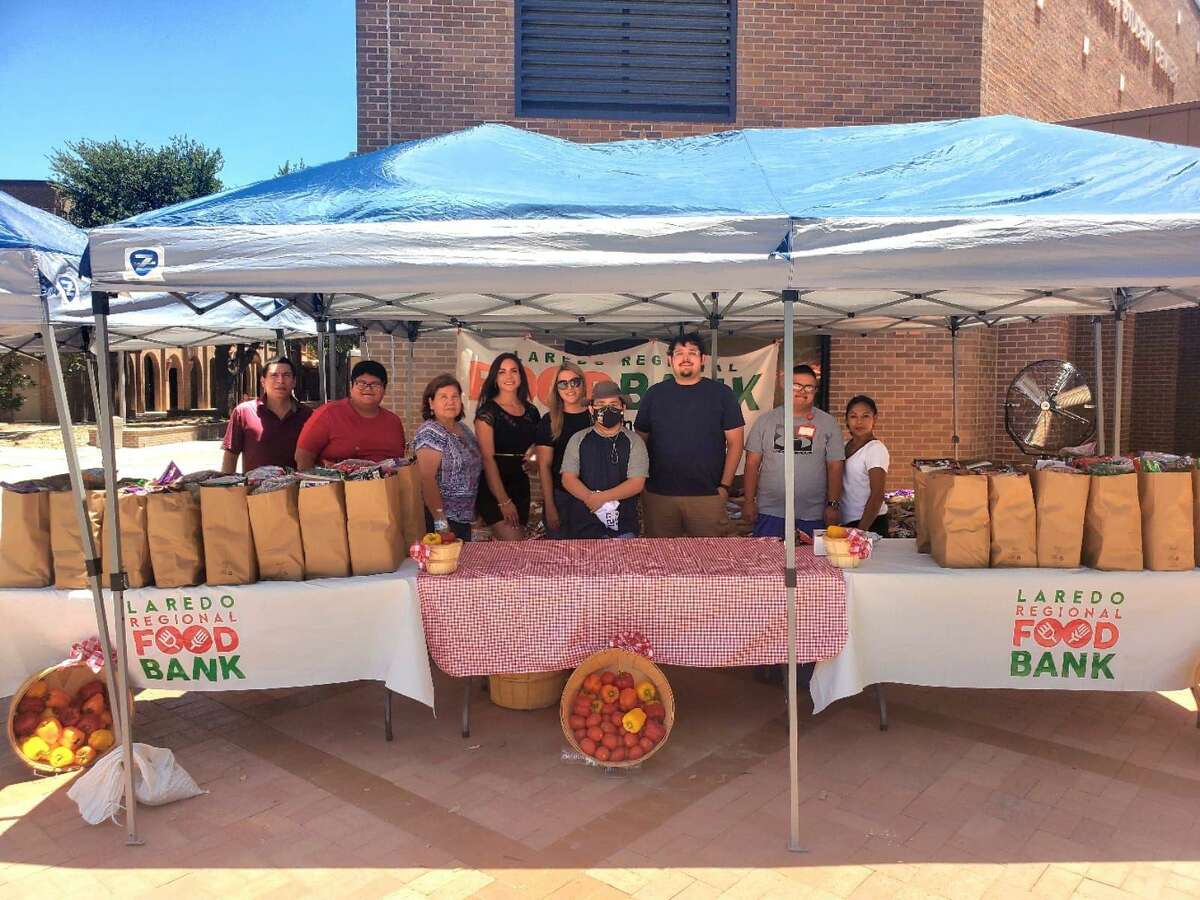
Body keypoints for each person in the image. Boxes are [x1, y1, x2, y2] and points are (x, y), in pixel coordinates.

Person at [633, 333, 744, 537]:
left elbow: (736, 443)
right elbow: (638, 443)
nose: (686, 358)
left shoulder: (722, 394)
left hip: (708, 496)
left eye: (692, 353)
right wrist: (642, 487)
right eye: (679, 353)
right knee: (661, 561)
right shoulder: (654, 394)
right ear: (670, 360)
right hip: (659, 496)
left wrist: (725, 487)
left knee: (710, 562)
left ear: (703, 359)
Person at [742, 365, 844, 540]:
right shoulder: (765, 421)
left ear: (815, 391)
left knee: (812, 565)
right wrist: (749, 501)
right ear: (785, 386)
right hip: (770, 511)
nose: (802, 391)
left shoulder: (828, 423)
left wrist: (833, 505)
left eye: (809, 387)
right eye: (796, 385)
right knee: (766, 564)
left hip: (813, 513)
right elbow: (752, 464)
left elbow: (835, 466)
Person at [560, 381, 649, 539]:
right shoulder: (578, 439)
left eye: (613, 404)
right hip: (584, 526)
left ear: (623, 408)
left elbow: (637, 483)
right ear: (590, 408)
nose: (607, 409)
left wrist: (601, 498)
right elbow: (568, 478)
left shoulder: (634, 441)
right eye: (600, 404)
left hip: (623, 527)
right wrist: (589, 498)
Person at [475, 352, 540, 541]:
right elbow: (487, 459)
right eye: (502, 372)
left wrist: (534, 457)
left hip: (521, 485)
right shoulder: (487, 412)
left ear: (521, 376)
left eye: (514, 371)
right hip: (495, 488)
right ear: (495, 378)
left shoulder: (531, 411)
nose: (508, 376)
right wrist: (504, 501)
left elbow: (537, 446)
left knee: (510, 552)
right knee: (516, 545)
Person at [294, 360, 406, 468]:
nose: (368, 388)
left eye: (375, 384)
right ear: (351, 387)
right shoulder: (328, 414)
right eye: (361, 383)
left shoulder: (393, 422)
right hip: (338, 485)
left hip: (386, 485)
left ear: (384, 389)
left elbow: (399, 462)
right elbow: (303, 456)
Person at [411, 374, 482, 542]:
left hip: (463, 518)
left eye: (455, 397)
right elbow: (427, 479)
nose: (450, 401)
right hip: (442, 519)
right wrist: (440, 522)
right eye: (443, 397)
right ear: (431, 403)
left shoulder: (463, 429)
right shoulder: (431, 432)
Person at [220, 356, 312, 473]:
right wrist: (226, 487)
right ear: (263, 381)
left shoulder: (307, 415)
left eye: (286, 375)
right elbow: (230, 456)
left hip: (296, 489)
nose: (280, 381)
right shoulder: (244, 412)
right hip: (256, 489)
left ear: (294, 382)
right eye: (274, 375)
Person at [535, 362, 592, 537]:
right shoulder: (550, 420)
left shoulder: (594, 416)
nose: (570, 388)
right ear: (556, 388)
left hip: (590, 496)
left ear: (583, 384)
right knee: (559, 558)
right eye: (563, 383)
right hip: (561, 497)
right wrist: (550, 505)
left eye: (575, 382)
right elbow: (544, 466)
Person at [842, 395, 889, 537]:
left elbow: (877, 494)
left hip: (869, 523)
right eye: (853, 416)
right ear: (847, 420)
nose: (859, 422)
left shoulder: (875, 449)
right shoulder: (844, 446)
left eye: (865, 416)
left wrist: (860, 531)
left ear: (875, 419)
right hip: (846, 522)